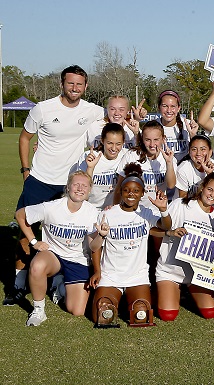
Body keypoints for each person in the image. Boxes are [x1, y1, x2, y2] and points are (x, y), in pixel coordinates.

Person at [8, 65, 103, 306]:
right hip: (39, 180)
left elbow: (114, 115)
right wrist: (25, 170)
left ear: (86, 86)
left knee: (69, 230)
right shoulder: (43, 109)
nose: (75, 88)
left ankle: (60, 276)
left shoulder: (91, 110)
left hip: (69, 185)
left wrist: (136, 117)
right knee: (26, 230)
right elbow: (24, 137)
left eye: (79, 84)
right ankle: (18, 284)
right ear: (62, 84)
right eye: (70, 83)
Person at [89, 163, 172, 326]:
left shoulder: (146, 213)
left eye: (135, 191)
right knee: (103, 315)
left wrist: (163, 209)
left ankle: (127, 301)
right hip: (111, 275)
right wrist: (97, 271)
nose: (130, 194)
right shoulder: (107, 214)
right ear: (120, 191)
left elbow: (166, 226)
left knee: (141, 313)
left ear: (142, 193)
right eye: (126, 190)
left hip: (137, 276)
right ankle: (114, 300)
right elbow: (96, 247)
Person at [16, 171, 101, 326]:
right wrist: (34, 241)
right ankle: (38, 310)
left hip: (78, 259)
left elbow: (93, 246)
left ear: (89, 190)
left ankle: (58, 286)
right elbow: (20, 214)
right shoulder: (51, 207)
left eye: (84, 185)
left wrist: (100, 236)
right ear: (68, 187)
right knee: (37, 266)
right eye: (76, 184)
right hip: (53, 255)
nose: (80, 188)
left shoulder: (93, 212)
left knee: (77, 311)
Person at [154, 173, 214, 321]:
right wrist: (171, 232)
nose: (212, 195)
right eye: (210, 189)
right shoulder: (181, 204)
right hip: (170, 270)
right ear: (202, 188)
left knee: (210, 313)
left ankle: (188, 291)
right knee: (168, 315)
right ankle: (160, 291)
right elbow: (157, 228)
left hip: (196, 275)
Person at [114, 120, 176, 209]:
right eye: (147, 140)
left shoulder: (169, 158)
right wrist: (116, 209)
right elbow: (119, 186)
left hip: (157, 210)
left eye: (156, 140)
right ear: (142, 139)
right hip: (135, 209)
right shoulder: (132, 155)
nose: (152, 144)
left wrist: (169, 163)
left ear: (163, 139)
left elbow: (171, 185)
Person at [77, 123, 128, 209]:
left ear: (123, 142)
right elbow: (82, 188)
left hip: (115, 209)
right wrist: (90, 167)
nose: (114, 148)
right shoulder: (88, 156)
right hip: (90, 208)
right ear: (102, 140)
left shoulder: (127, 155)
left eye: (118, 144)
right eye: (110, 143)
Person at [156, 90, 199, 162]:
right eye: (165, 106)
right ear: (159, 107)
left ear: (178, 108)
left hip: (184, 170)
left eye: (173, 106)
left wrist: (193, 135)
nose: (169, 110)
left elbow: (198, 152)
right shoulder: (153, 126)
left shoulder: (188, 125)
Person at [176, 134, 214, 198]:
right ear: (189, 151)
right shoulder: (183, 168)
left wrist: (210, 174)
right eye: (194, 149)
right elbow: (183, 197)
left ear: (210, 152)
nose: (198, 153)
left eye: (203, 149)